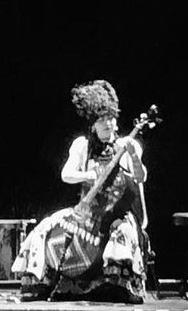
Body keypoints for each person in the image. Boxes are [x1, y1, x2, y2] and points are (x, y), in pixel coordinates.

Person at [11, 79, 148, 303]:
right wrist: (90, 175)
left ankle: (119, 286)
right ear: (92, 124)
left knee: (121, 231)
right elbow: (66, 174)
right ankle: (43, 283)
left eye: (111, 118)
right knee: (48, 225)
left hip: (118, 213)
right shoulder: (82, 145)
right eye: (101, 120)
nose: (108, 124)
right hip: (89, 212)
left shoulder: (127, 144)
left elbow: (141, 177)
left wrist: (132, 154)